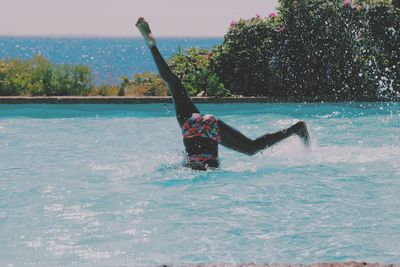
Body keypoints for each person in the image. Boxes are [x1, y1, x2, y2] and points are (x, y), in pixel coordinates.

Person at [135, 17, 310, 171]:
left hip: (199, 130)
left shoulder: (199, 168)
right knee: (174, 84)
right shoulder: (196, 164)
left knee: (251, 148)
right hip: (191, 124)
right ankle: (152, 45)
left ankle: (296, 129)